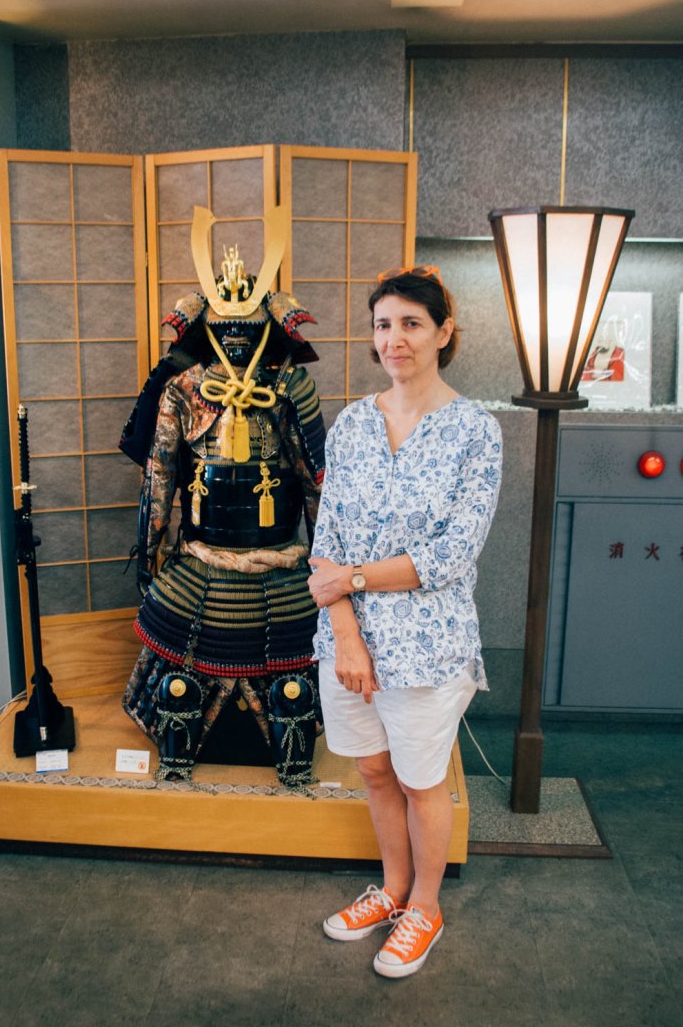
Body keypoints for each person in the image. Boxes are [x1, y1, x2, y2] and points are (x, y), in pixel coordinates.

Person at [308, 265, 502, 979]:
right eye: (384, 324)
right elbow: (327, 538)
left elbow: (450, 554)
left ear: (444, 333)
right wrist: (349, 631)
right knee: (373, 771)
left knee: (423, 781)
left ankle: (425, 904)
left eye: (412, 324)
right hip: (347, 642)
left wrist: (354, 577)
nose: (395, 339)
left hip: (429, 647)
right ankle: (390, 890)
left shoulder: (475, 431)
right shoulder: (354, 424)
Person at [121, 205, 326, 787]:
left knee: (290, 680)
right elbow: (159, 474)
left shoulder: (290, 387)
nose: (236, 338)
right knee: (179, 678)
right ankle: (179, 741)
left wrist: (327, 563)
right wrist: (151, 543)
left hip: (280, 561)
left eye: (248, 327)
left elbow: (317, 482)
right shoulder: (183, 388)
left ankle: (290, 746)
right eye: (224, 327)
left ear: (269, 325)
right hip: (202, 558)